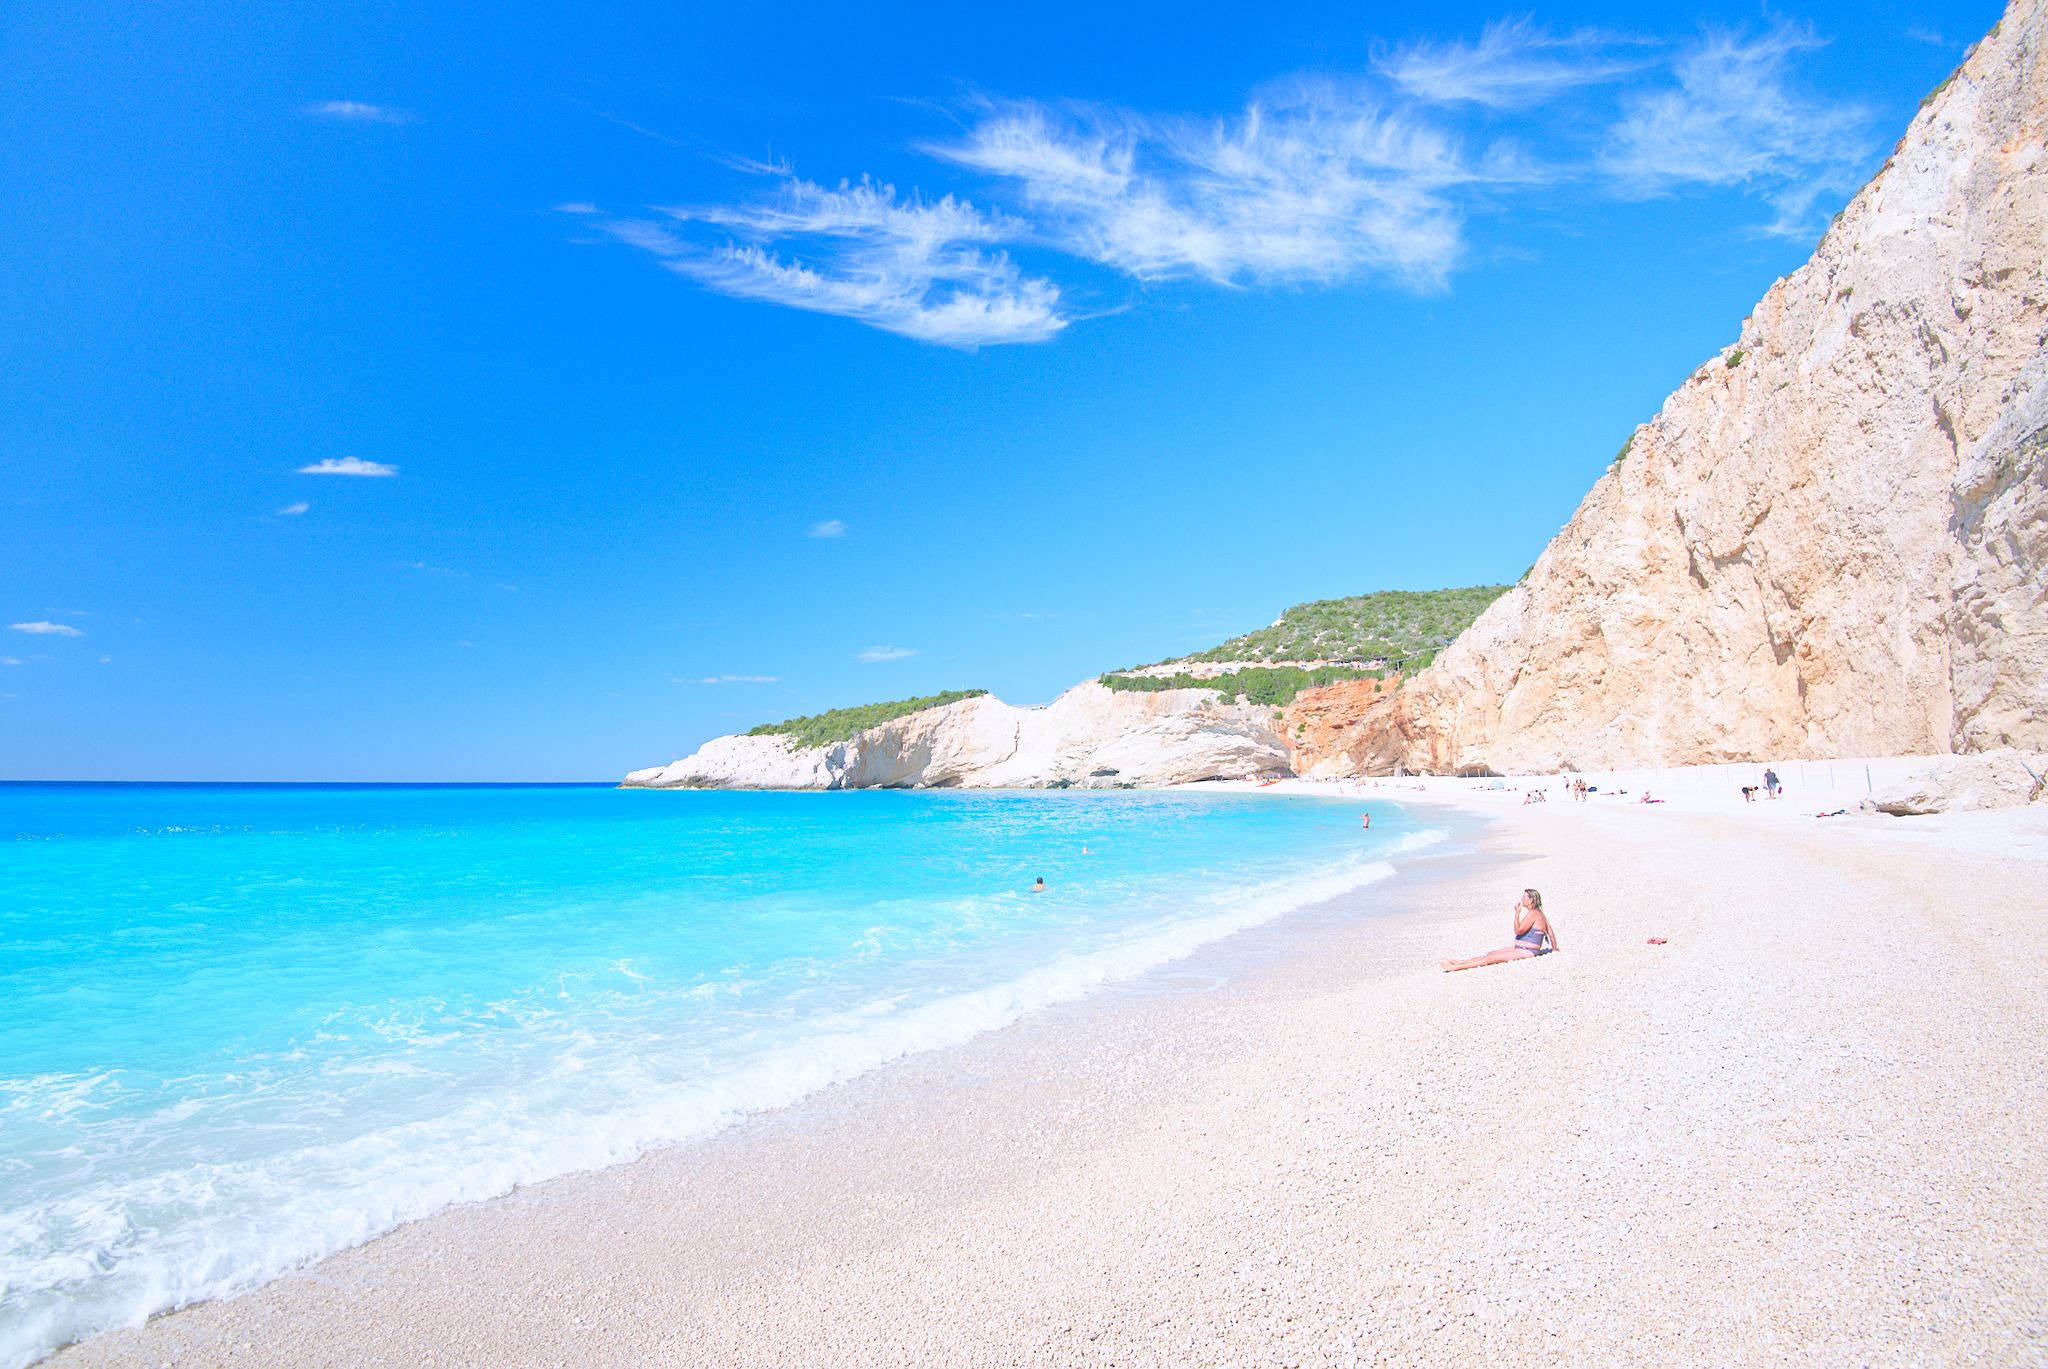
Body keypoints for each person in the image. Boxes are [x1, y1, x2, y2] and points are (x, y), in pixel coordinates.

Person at [1440, 889, 1559, 972]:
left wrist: (1517, 914)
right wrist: (1554, 948)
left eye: (1524, 897)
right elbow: (1551, 932)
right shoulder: (1539, 913)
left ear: (1531, 900)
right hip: (1521, 948)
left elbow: (1518, 930)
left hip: (1527, 951)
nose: (1521, 899)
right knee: (1490, 954)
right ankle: (1460, 962)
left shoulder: (1534, 914)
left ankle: (1456, 968)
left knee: (1489, 959)